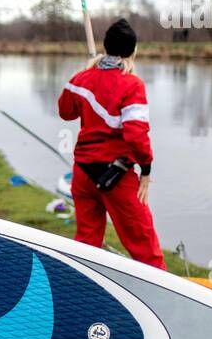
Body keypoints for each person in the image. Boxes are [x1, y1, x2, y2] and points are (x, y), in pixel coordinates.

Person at [56, 18, 166, 270]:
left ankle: (79, 295)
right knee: (145, 247)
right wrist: (146, 170)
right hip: (115, 176)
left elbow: (65, 111)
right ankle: (165, 302)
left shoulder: (82, 77)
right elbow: (136, 136)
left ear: (106, 48)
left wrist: (85, 76)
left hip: (83, 173)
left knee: (86, 243)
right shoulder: (132, 84)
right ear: (133, 50)